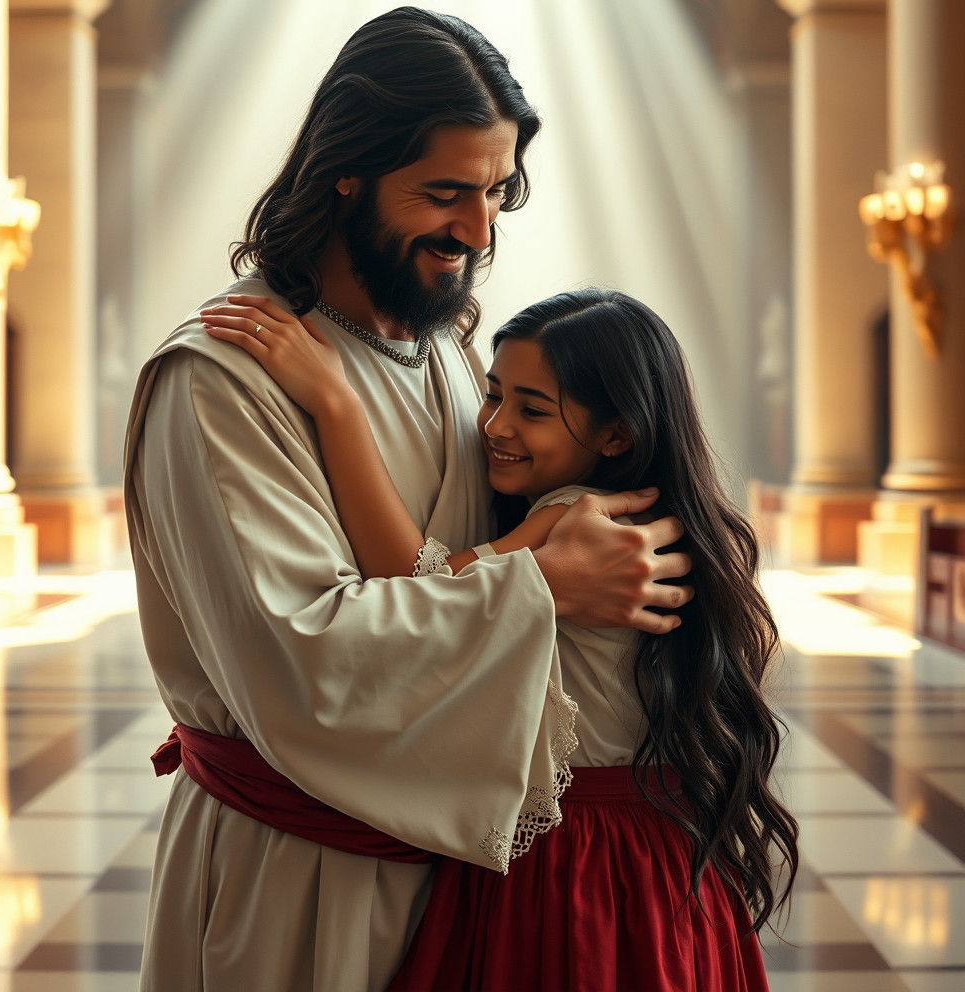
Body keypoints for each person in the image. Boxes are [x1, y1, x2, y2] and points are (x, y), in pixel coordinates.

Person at [124, 7, 694, 992]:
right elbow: (304, 661)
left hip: (477, 888)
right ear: (347, 169)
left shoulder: (445, 348)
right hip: (302, 886)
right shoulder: (223, 379)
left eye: (495, 193)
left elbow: (441, 563)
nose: (477, 233)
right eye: (443, 194)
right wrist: (542, 586)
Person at [203, 287, 800, 991]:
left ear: (617, 435)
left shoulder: (572, 518)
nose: (494, 425)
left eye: (533, 410)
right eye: (492, 396)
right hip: (667, 854)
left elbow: (418, 582)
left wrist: (336, 407)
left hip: (573, 860)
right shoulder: (663, 517)